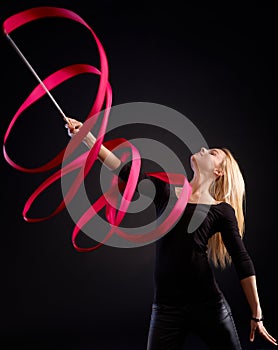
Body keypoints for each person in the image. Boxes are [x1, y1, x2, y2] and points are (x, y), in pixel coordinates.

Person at [65, 117, 277, 350]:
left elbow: (242, 259)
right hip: (167, 310)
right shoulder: (166, 193)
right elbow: (126, 171)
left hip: (209, 307)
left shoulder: (221, 211)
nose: (204, 149)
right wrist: (88, 138)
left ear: (218, 172)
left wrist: (257, 314)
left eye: (213, 153)